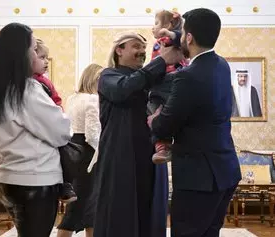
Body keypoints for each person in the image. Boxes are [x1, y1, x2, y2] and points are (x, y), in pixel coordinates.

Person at [148, 8, 242, 237]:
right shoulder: (222, 65)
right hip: (226, 171)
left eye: (182, 33)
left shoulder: (187, 76)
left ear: (188, 37)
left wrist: (154, 119)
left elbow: (165, 126)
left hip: (198, 178)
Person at [0, 23, 72, 236]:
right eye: (33, 49)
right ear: (20, 54)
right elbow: (62, 132)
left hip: (5, 178)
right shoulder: (28, 90)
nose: (37, 54)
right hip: (34, 179)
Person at [93, 32, 182, 237]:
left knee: (148, 212)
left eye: (144, 47)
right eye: (136, 46)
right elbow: (122, 90)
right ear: (119, 50)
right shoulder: (108, 75)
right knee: (120, 214)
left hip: (149, 156)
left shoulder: (151, 78)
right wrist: (160, 61)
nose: (142, 52)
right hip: (120, 156)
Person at [57, 63, 103, 237]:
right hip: (89, 151)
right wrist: (102, 152)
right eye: (100, 79)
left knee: (88, 202)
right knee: (82, 202)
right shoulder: (92, 99)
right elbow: (92, 134)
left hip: (74, 148)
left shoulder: (73, 98)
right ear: (93, 79)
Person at [32, 38, 77, 203]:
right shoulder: (30, 83)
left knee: (66, 156)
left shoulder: (44, 81)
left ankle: (65, 185)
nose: (46, 62)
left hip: (53, 119)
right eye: (42, 57)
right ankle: (64, 186)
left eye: (46, 58)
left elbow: (56, 101)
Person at [149, 9, 188, 164]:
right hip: (159, 81)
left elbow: (180, 40)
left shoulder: (173, 39)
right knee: (154, 108)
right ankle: (162, 146)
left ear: (169, 25)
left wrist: (170, 34)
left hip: (173, 80)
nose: (153, 27)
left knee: (169, 110)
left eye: (157, 23)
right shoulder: (157, 44)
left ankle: (165, 144)